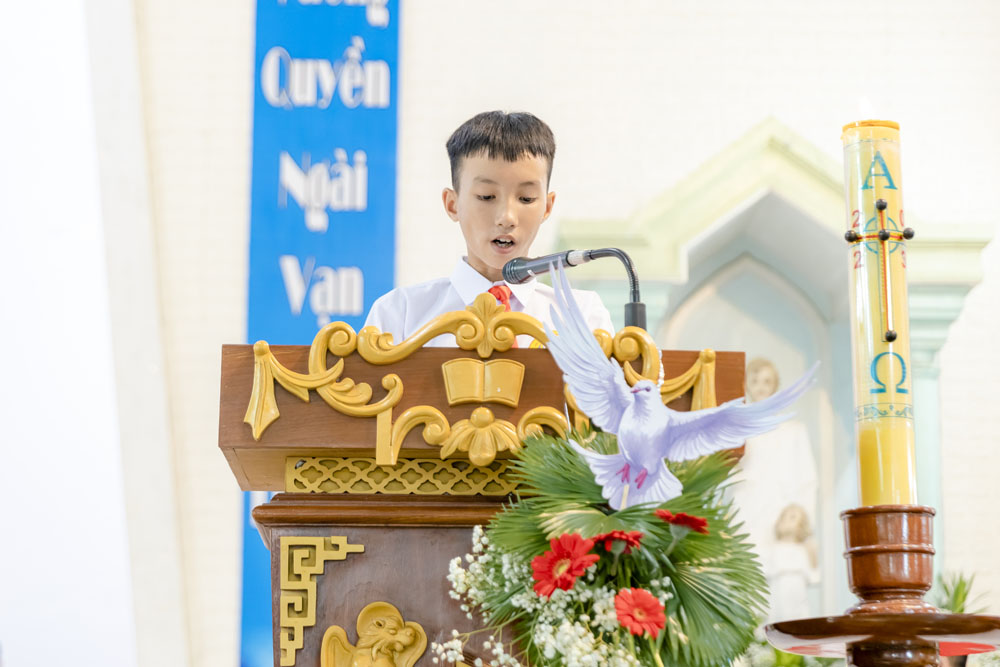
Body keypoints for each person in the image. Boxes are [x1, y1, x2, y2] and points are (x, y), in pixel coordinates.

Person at [364, 111, 614, 347]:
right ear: (452, 205)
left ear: (547, 207)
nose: (507, 218)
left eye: (526, 198)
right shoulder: (401, 314)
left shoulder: (582, 315)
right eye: (486, 196)